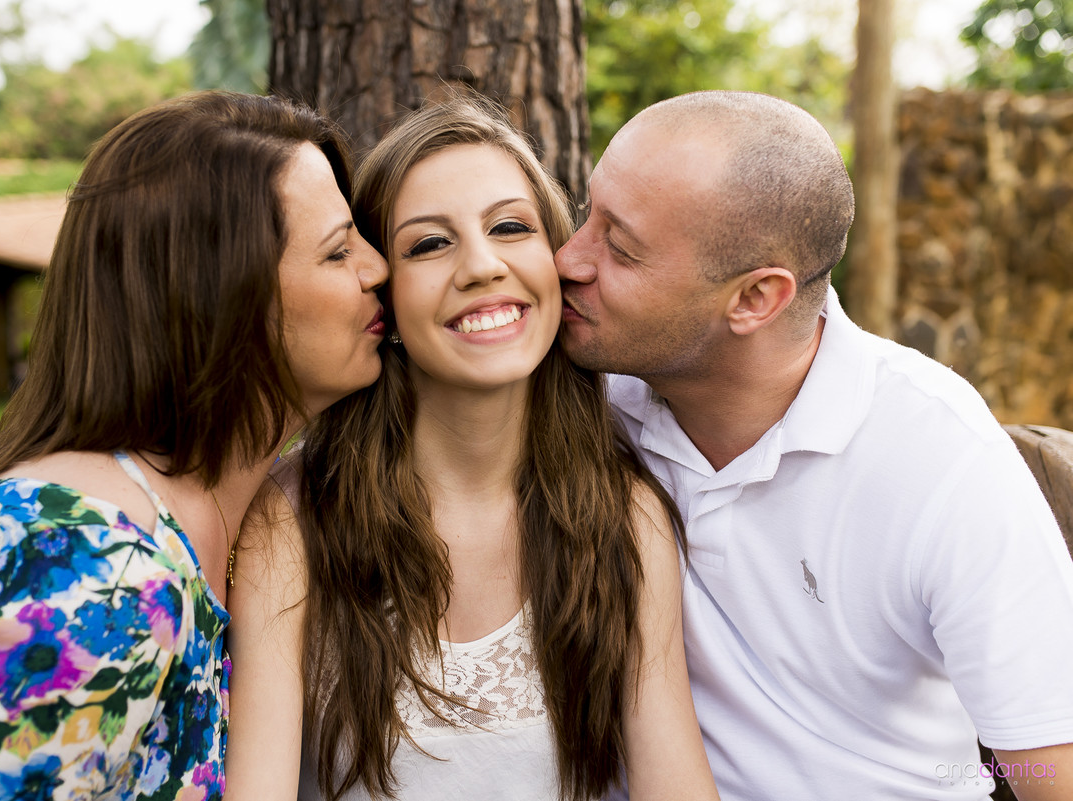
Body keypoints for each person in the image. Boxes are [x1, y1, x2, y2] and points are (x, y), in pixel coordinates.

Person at [556, 89, 1073, 800]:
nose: (567, 258)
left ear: (755, 299)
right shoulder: (581, 398)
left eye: (620, 248)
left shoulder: (940, 457)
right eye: (587, 214)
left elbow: (1049, 769)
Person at [0, 90, 388, 800]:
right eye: (338, 250)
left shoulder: (224, 520)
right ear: (220, 298)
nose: (377, 267)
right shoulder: (78, 568)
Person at [224, 95, 720, 801]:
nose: (482, 266)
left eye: (510, 227)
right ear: (383, 296)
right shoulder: (294, 518)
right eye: (430, 244)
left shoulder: (622, 513)